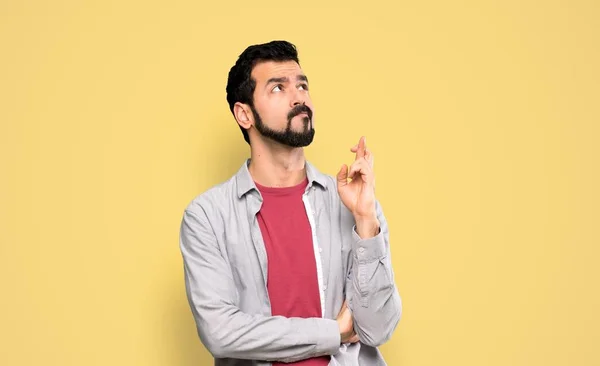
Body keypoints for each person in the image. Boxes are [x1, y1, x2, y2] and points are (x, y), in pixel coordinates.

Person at [179, 40, 402, 366]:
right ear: (244, 114)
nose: (299, 97)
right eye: (278, 88)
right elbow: (221, 331)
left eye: (302, 85)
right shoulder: (208, 216)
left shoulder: (353, 205)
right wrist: (332, 331)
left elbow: (378, 328)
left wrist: (366, 222)